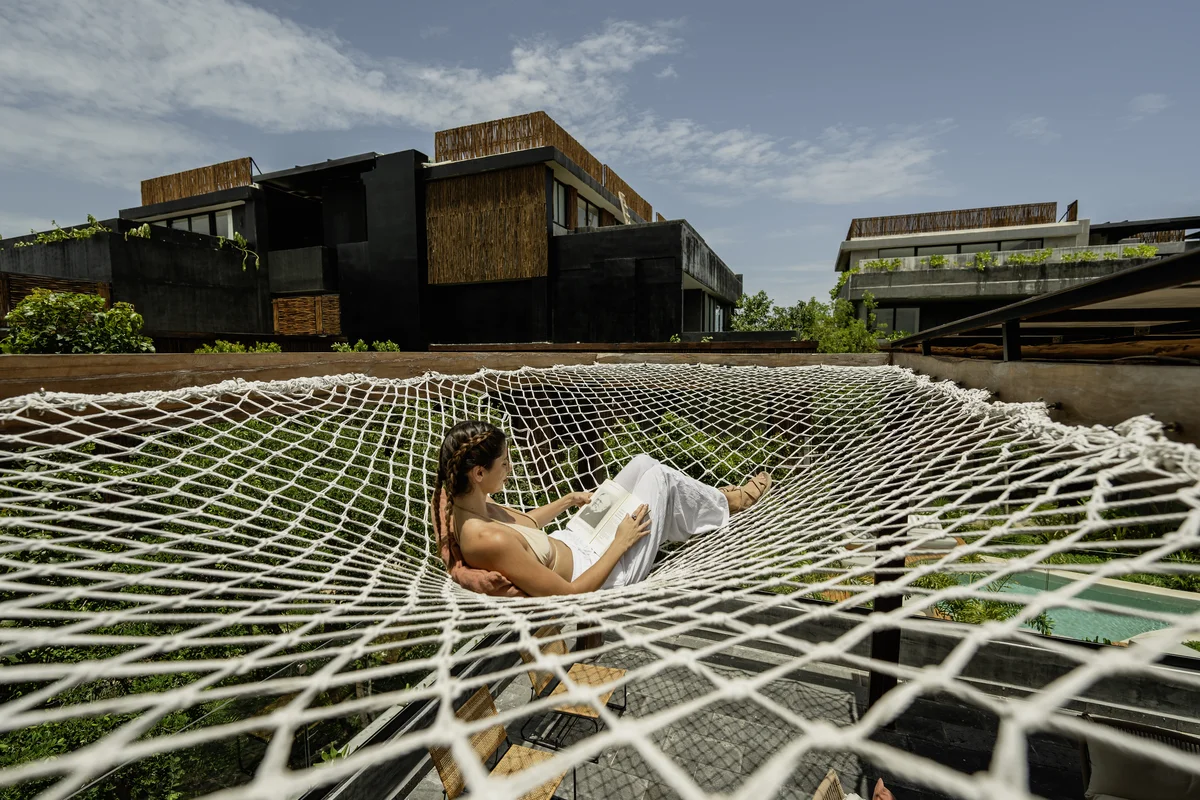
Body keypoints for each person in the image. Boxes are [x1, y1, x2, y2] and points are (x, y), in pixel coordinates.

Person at [431, 419, 770, 598]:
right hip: (601, 571)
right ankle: (731, 502)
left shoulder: (472, 504)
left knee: (642, 463)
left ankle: (707, 506)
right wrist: (621, 542)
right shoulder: (484, 539)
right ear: (478, 473)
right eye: (504, 464)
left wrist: (567, 501)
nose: (510, 470)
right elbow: (569, 595)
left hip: (576, 538)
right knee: (661, 480)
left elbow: (527, 528)